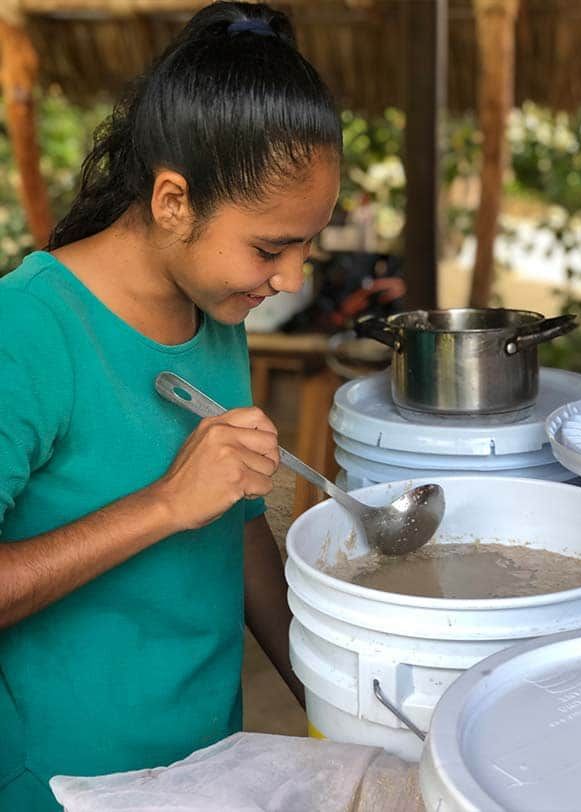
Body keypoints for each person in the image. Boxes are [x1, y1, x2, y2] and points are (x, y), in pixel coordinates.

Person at [0, 3, 342, 809]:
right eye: (269, 248)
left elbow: (237, 520)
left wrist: (333, 706)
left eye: (305, 247)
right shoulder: (28, 330)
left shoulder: (214, 309)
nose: (289, 279)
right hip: (64, 785)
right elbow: (186, 504)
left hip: (205, 773)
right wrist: (162, 505)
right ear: (171, 202)